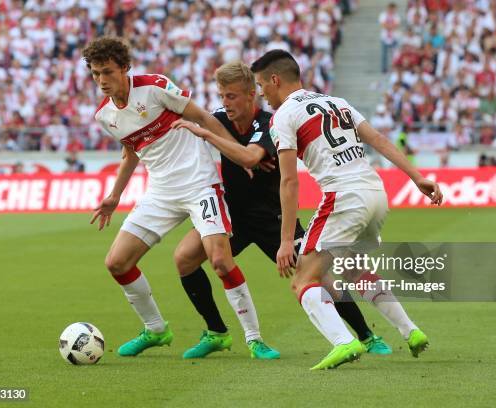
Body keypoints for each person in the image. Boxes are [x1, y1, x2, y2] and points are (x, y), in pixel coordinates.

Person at [171, 61, 391, 359]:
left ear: (252, 94)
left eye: (232, 96)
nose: (225, 103)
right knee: (185, 258)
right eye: (222, 96)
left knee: (320, 278)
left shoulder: (271, 123)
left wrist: (214, 139)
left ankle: (366, 335)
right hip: (232, 214)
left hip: (273, 219)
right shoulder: (218, 119)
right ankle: (217, 332)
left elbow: (249, 158)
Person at [251, 50, 443, 370]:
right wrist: (417, 176)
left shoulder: (283, 117)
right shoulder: (337, 102)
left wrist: (286, 240)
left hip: (343, 198)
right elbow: (378, 139)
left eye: (261, 85)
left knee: (303, 279)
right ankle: (411, 332)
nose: (262, 94)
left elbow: (288, 182)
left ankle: (344, 341)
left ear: (275, 80)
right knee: (354, 270)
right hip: (375, 194)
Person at [84, 37, 273, 358]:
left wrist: (241, 155)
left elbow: (205, 118)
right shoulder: (105, 115)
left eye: (108, 72)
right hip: (160, 192)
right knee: (116, 262)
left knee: (221, 262)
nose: (102, 80)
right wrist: (114, 195)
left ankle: (254, 339)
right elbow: (131, 151)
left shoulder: (155, 87)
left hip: (200, 183)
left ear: (125, 68)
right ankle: (156, 329)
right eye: (95, 73)